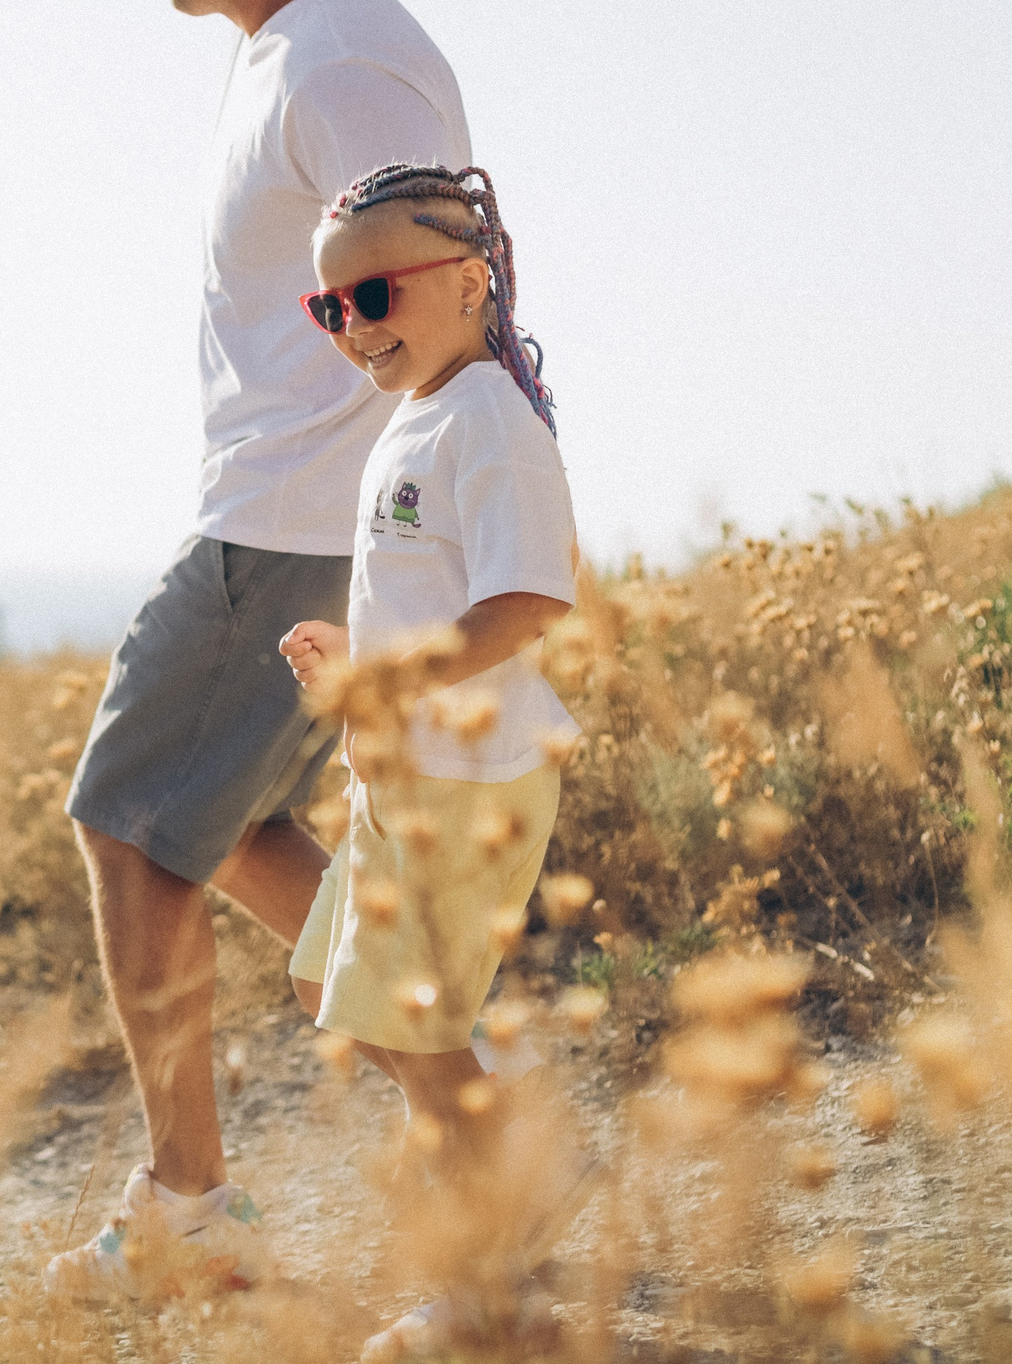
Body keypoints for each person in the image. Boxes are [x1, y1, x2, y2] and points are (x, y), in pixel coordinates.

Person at [44, 0, 470, 1304]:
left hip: (292, 520)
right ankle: (479, 1118)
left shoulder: (348, 63)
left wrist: (424, 498)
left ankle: (190, 1202)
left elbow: (449, 273)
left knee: (126, 818)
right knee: (222, 828)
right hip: (302, 510)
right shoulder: (290, 52)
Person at [278, 163, 579, 1361]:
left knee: (414, 1033)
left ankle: (483, 1289)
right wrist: (367, 657)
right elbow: (442, 603)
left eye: (376, 295)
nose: (354, 328)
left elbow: (523, 606)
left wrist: (385, 681)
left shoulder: (490, 420)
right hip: (400, 781)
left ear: (469, 281)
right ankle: (488, 1111)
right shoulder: (421, 419)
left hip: (466, 780)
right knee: (326, 990)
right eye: (330, 309)